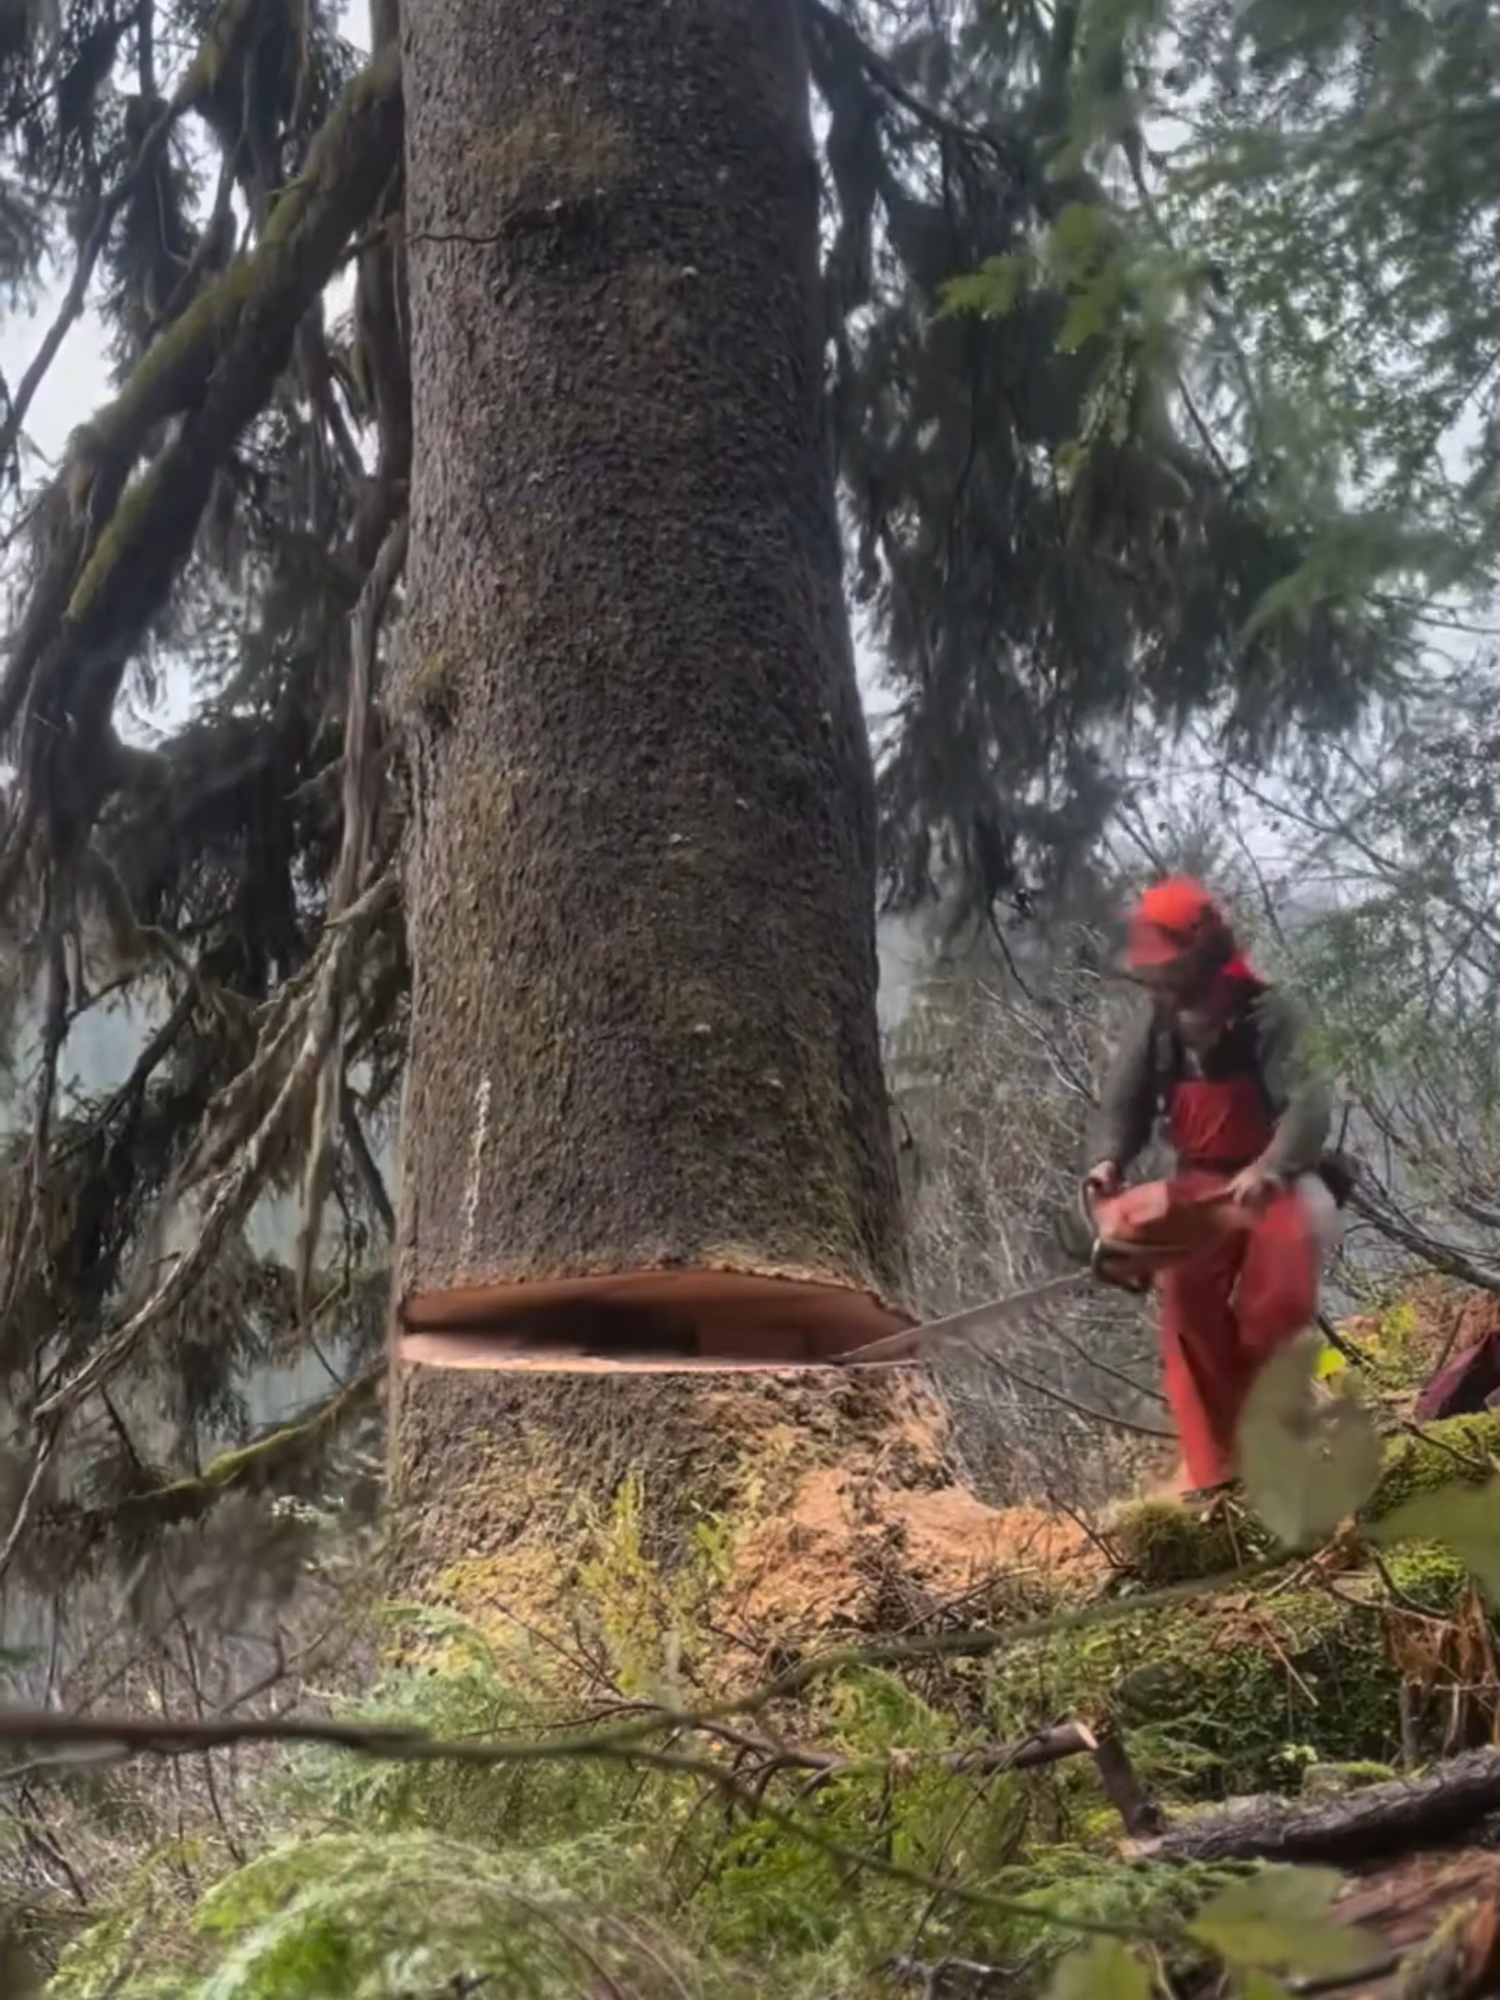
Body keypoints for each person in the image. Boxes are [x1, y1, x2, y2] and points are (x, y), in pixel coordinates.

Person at [1084, 876, 1336, 1504]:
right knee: (1188, 1314)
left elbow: (1307, 1106)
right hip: (1198, 1183)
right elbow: (1125, 1102)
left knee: (1270, 1311)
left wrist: (1270, 1167)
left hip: (1276, 1186)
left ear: (1202, 953)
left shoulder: (1268, 1014)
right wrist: (1108, 1159)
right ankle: (1221, 1474)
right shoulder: (1158, 1024)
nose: (1160, 982)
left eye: (1169, 968)